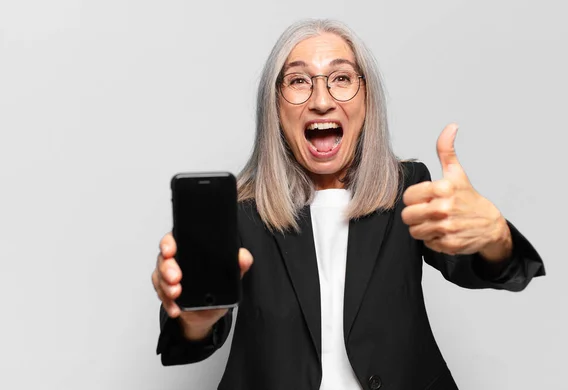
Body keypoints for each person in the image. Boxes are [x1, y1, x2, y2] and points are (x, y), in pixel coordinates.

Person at [151, 19, 545, 390]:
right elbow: (185, 343)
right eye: (298, 81)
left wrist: (496, 236)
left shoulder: (406, 187)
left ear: (367, 99)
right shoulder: (240, 212)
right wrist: (193, 322)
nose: (321, 100)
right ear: (275, 106)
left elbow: (491, 269)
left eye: (341, 78)